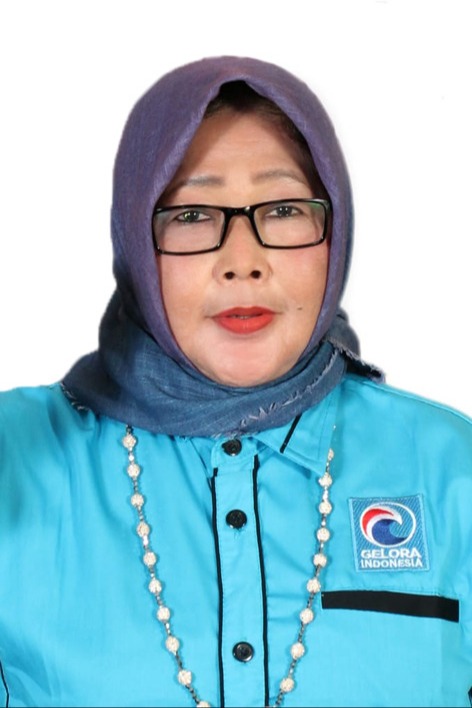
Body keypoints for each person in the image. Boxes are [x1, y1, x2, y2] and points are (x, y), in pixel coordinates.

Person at [0, 56, 470, 708]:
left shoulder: (449, 467)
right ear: (134, 236)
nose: (242, 262)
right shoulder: (18, 459)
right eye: (193, 215)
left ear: (334, 231)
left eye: (283, 209)